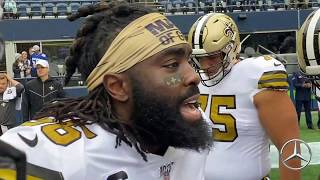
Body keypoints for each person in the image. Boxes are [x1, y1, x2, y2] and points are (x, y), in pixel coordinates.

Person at [0, 1, 212, 179]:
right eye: (172, 65)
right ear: (117, 86)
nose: (193, 76)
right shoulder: (56, 156)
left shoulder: (187, 125)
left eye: (189, 60)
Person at [188, 13, 300, 180]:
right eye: (199, 58)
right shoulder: (193, 79)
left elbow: (290, 147)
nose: (205, 65)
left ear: (231, 48)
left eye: (211, 57)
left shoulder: (256, 75)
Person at [296, 8, 320, 130]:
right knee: (299, 112)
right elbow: (295, 84)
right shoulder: (297, 73)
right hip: (301, 96)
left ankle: (311, 125)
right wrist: (304, 85)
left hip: (306, 95)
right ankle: (298, 125)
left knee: (309, 112)